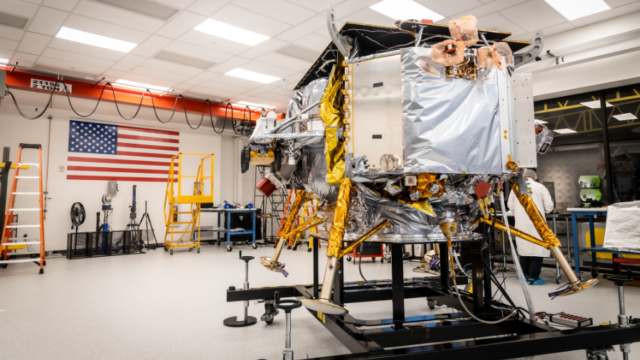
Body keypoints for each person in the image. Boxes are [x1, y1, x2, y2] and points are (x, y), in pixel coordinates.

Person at [507, 169, 554, 285]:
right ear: (535, 177)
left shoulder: (517, 187)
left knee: (524, 248)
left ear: (524, 176)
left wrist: (518, 212)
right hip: (538, 223)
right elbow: (549, 207)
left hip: (521, 224)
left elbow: (510, 205)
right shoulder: (540, 187)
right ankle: (533, 277)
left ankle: (523, 275)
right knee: (538, 249)